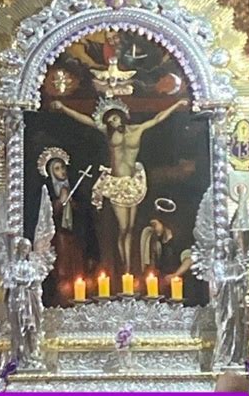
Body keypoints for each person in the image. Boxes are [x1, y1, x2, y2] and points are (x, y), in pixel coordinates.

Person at [51, 96, 189, 271]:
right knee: (123, 228)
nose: (113, 122)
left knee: (130, 227)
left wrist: (176, 105)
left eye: (114, 118)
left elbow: (157, 119)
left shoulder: (137, 130)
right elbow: (86, 120)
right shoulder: (108, 133)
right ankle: (124, 265)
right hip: (116, 184)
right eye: (109, 121)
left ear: (121, 116)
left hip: (133, 182)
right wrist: (64, 107)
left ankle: (129, 267)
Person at [39, 150, 86, 306]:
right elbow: (45, 213)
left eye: (63, 167)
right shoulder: (49, 190)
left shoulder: (74, 188)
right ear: (51, 172)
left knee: (77, 269)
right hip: (59, 237)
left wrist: (72, 203)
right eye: (57, 168)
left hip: (74, 236)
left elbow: (85, 214)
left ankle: (76, 297)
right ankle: (61, 299)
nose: (62, 171)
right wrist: (59, 202)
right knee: (62, 270)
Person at [141, 215, 208, 306]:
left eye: (155, 224)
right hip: (166, 292)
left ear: (163, 222)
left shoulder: (179, 241)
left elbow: (189, 259)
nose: (154, 228)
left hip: (182, 290)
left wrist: (175, 275)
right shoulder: (158, 243)